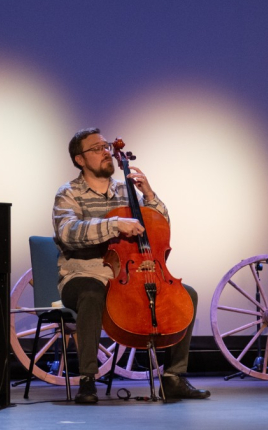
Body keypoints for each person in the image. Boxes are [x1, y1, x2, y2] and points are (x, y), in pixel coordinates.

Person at [53, 127, 210, 403]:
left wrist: (149, 196)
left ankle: (173, 377)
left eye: (106, 147)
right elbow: (68, 232)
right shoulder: (68, 193)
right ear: (80, 159)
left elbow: (158, 228)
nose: (106, 152)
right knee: (91, 293)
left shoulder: (126, 191)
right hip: (84, 273)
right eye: (97, 149)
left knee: (187, 295)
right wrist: (114, 224)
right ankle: (88, 379)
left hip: (129, 275)